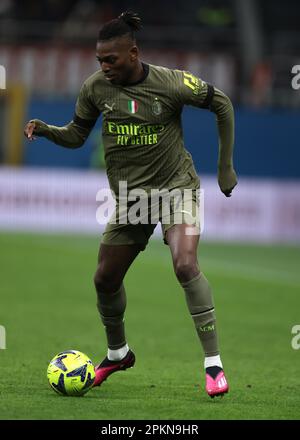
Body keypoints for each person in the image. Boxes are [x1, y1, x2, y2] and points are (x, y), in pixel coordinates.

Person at [24, 11, 237, 398]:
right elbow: (76, 134)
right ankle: (118, 352)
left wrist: (225, 168)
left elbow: (221, 102)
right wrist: (48, 131)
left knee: (185, 264)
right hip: (131, 202)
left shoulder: (171, 83)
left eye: (111, 60)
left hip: (177, 190)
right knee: (104, 279)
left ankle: (213, 365)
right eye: (99, 61)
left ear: (134, 53)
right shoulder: (95, 89)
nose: (104, 67)